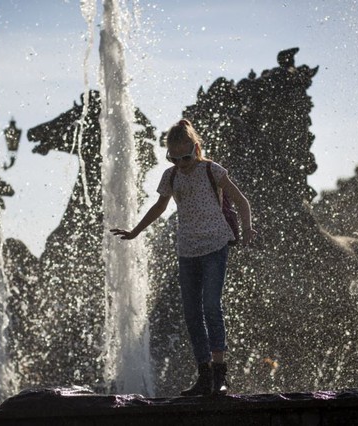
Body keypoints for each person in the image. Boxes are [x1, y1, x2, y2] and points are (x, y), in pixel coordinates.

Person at [110, 119, 257, 396]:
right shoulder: (171, 176)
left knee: (211, 306)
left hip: (215, 246)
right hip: (187, 251)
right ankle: (203, 376)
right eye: (174, 158)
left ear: (196, 148)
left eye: (186, 156)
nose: (181, 163)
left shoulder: (212, 170)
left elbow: (241, 201)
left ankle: (219, 376)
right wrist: (135, 231)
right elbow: (159, 206)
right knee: (191, 313)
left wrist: (248, 228)